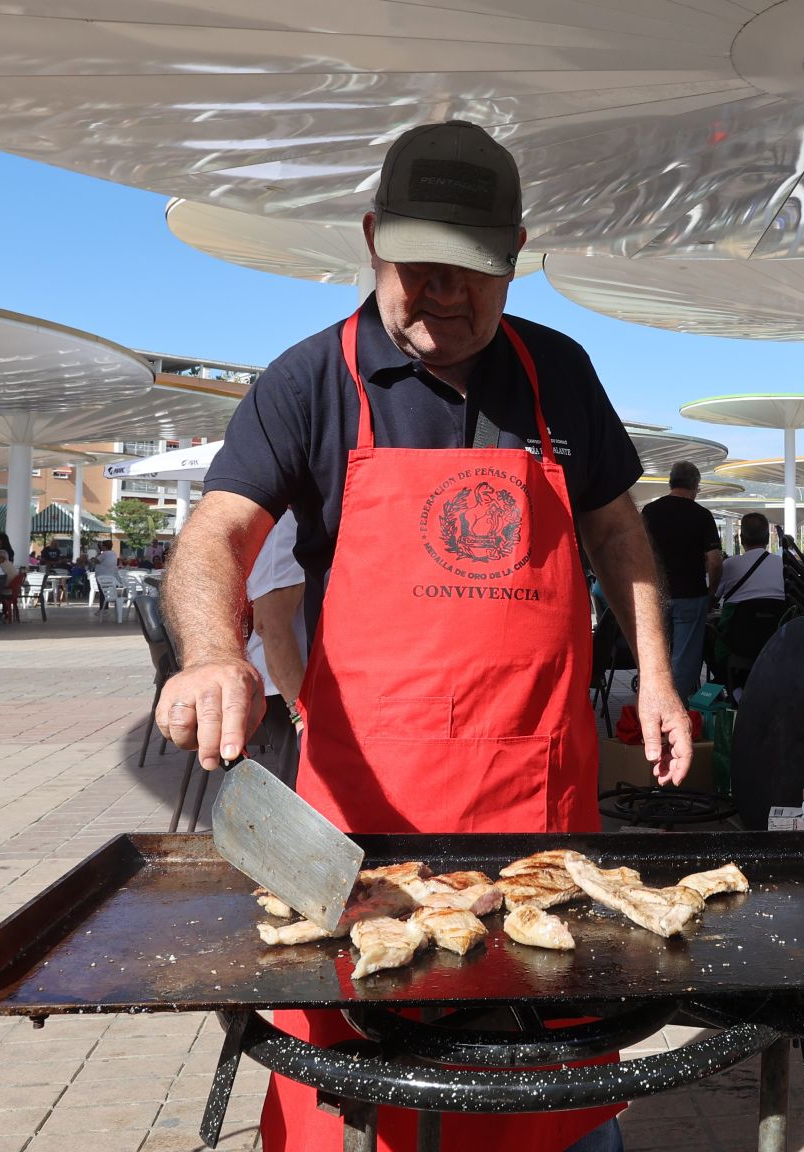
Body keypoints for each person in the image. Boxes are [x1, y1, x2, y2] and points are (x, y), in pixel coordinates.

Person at [156, 119, 684, 1152]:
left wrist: (656, 676)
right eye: (419, 270)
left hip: (537, 796)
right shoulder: (311, 380)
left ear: (517, 256)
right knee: (356, 1065)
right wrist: (214, 655)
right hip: (364, 817)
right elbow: (218, 529)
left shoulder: (559, 370)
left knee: (548, 1062)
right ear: (370, 241)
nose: (443, 294)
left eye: (472, 275)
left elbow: (616, 526)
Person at [641, 459, 721, 700]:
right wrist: (711, 593)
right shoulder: (702, 515)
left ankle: (653, 705)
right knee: (685, 658)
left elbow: (638, 554)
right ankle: (677, 709)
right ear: (695, 485)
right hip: (691, 593)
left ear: (670, 483)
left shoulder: (649, 512)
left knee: (657, 654)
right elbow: (715, 562)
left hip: (656, 595)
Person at [247, 512, 309, 781]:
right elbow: (270, 626)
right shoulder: (292, 527)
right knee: (304, 790)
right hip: (289, 690)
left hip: (300, 688)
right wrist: (300, 714)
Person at [717, 512, 785, 605]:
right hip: (777, 618)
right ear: (768, 537)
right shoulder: (782, 564)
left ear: (741, 538)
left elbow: (715, 595)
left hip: (738, 618)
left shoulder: (729, 565)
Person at [92, 541, 122, 607]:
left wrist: (94, 557)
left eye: (102, 545)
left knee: (102, 593)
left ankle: (102, 608)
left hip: (101, 576)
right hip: (110, 576)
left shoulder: (104, 554)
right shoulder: (113, 553)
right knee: (106, 592)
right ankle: (106, 607)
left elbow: (96, 561)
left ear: (104, 546)